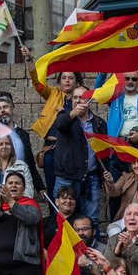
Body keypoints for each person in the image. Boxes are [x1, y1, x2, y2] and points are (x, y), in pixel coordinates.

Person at [51, 86, 105, 225]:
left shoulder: (99, 123)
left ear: (89, 100)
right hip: (66, 177)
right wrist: (74, 113)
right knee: (63, 219)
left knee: (91, 220)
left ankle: (89, 246)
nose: (78, 100)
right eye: (75, 97)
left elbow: (104, 151)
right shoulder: (65, 116)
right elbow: (61, 124)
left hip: (91, 178)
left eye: (82, 97)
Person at [105, 72, 138, 176]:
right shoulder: (114, 97)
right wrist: (104, 72)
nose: (130, 81)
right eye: (127, 78)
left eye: (134, 79)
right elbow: (98, 90)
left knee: (137, 183)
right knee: (117, 184)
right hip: (117, 146)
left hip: (137, 147)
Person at [100, 156, 138, 225]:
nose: (136, 166)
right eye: (133, 163)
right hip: (125, 218)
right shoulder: (126, 177)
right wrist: (110, 181)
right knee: (112, 230)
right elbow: (114, 192)